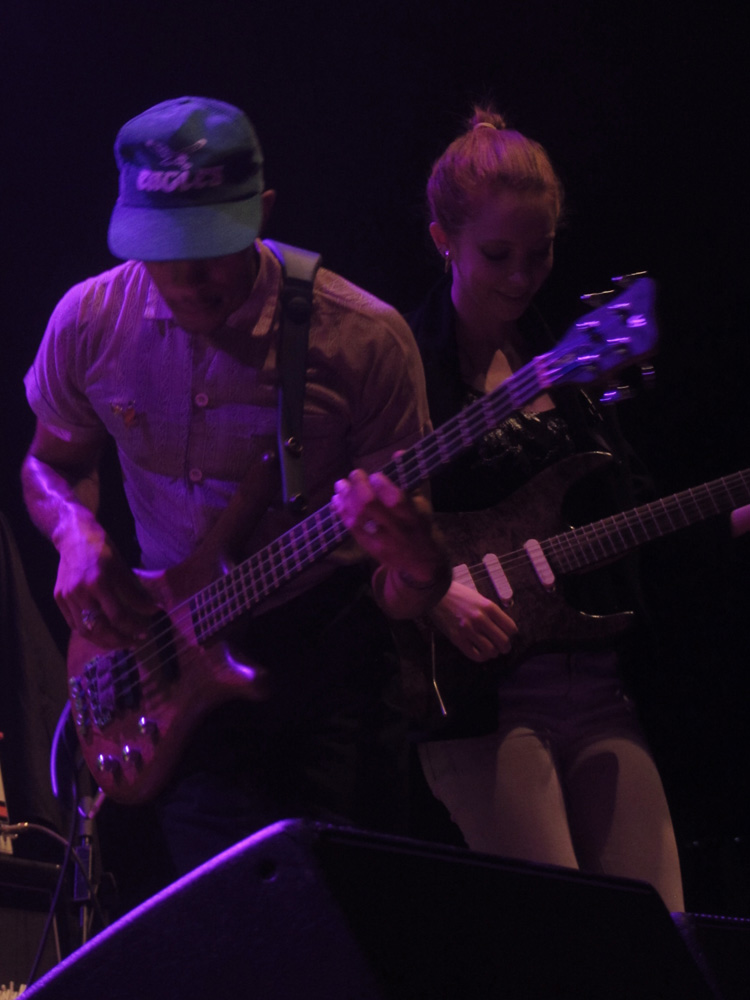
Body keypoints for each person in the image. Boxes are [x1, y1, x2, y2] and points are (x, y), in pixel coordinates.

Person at [21, 96, 450, 909]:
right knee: (235, 932)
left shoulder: (364, 338)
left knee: (348, 927)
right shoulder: (90, 320)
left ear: (263, 212)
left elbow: (405, 594)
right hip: (174, 665)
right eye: (163, 250)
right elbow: (50, 463)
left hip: (329, 672)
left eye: (210, 246)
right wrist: (74, 529)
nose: (187, 279)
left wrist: (420, 566)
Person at [404, 105, 687, 912]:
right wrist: (435, 592)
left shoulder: (566, 367)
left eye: (541, 253)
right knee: (565, 941)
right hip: (484, 701)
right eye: (498, 255)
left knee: (663, 936)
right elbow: (358, 525)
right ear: (443, 240)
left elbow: (636, 521)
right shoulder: (405, 363)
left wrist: (731, 516)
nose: (523, 277)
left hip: (598, 683)